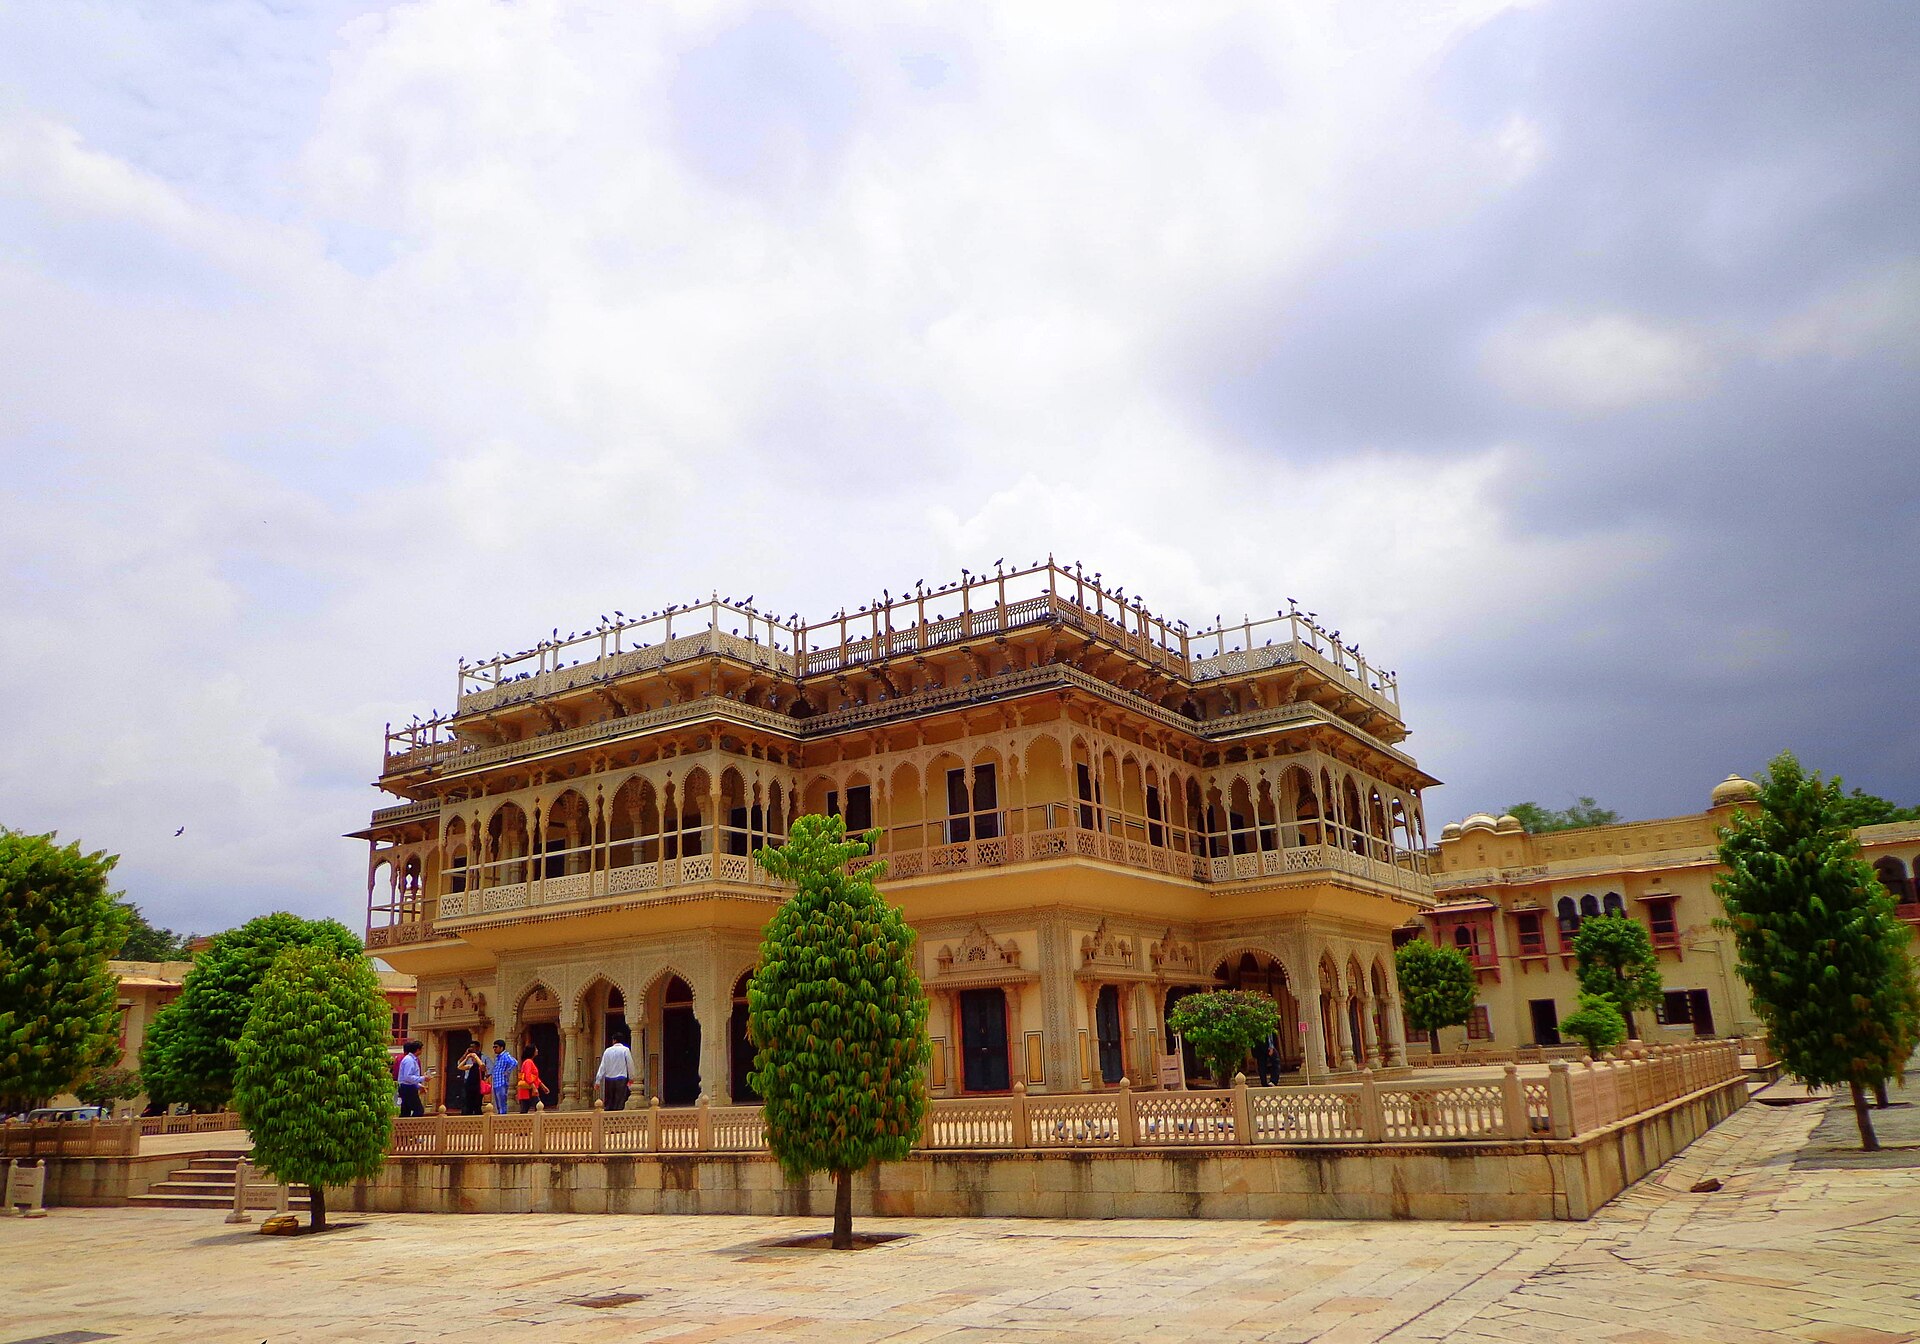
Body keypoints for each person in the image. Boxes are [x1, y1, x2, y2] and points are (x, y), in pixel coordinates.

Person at [595, 1031, 634, 1112]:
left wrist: (598, 1081)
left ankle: (608, 1120)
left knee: (610, 1101)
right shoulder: (625, 1050)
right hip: (621, 1078)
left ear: (614, 1040)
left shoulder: (607, 1051)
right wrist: (631, 1078)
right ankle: (617, 1120)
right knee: (619, 1101)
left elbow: (603, 1066)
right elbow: (630, 1065)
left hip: (609, 1079)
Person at [396, 1040, 428, 1118]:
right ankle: (412, 1127)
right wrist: (423, 1078)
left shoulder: (412, 1060)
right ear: (418, 1050)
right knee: (418, 1110)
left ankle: (403, 1128)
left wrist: (419, 1085)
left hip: (408, 1087)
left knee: (406, 1111)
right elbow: (407, 1077)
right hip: (407, 1088)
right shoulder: (409, 1060)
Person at [455, 1041, 485, 1115]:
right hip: (469, 1087)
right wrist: (466, 1057)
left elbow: (482, 1065)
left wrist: (475, 1056)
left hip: (477, 1087)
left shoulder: (480, 1065)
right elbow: (459, 1066)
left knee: (477, 1105)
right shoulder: (471, 1066)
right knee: (468, 1104)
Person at [488, 1039, 518, 1115]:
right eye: (493, 1047)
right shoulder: (498, 1057)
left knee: (502, 1103)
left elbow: (514, 1062)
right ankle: (500, 1117)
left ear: (501, 1048)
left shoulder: (505, 1055)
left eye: (496, 1047)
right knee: (498, 1104)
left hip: (501, 1082)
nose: (494, 1049)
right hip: (496, 1083)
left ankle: (502, 1118)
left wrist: (507, 1071)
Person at [517, 1047, 544, 1114]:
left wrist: (543, 1086)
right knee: (538, 1106)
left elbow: (535, 1077)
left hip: (529, 1090)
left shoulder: (529, 1062)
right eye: (536, 1049)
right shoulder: (528, 1062)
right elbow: (527, 1075)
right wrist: (534, 1087)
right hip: (528, 1090)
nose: (537, 1050)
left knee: (526, 1109)